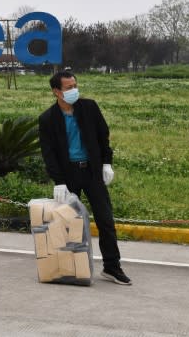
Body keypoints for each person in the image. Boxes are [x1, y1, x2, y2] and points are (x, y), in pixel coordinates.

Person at [38, 70, 131, 285]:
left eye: (75, 85)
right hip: (68, 175)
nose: (74, 90)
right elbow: (49, 153)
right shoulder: (48, 119)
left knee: (105, 220)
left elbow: (103, 135)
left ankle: (112, 266)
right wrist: (58, 180)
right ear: (56, 92)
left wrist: (107, 162)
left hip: (91, 171)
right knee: (67, 222)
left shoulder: (89, 108)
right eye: (69, 88)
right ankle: (69, 267)